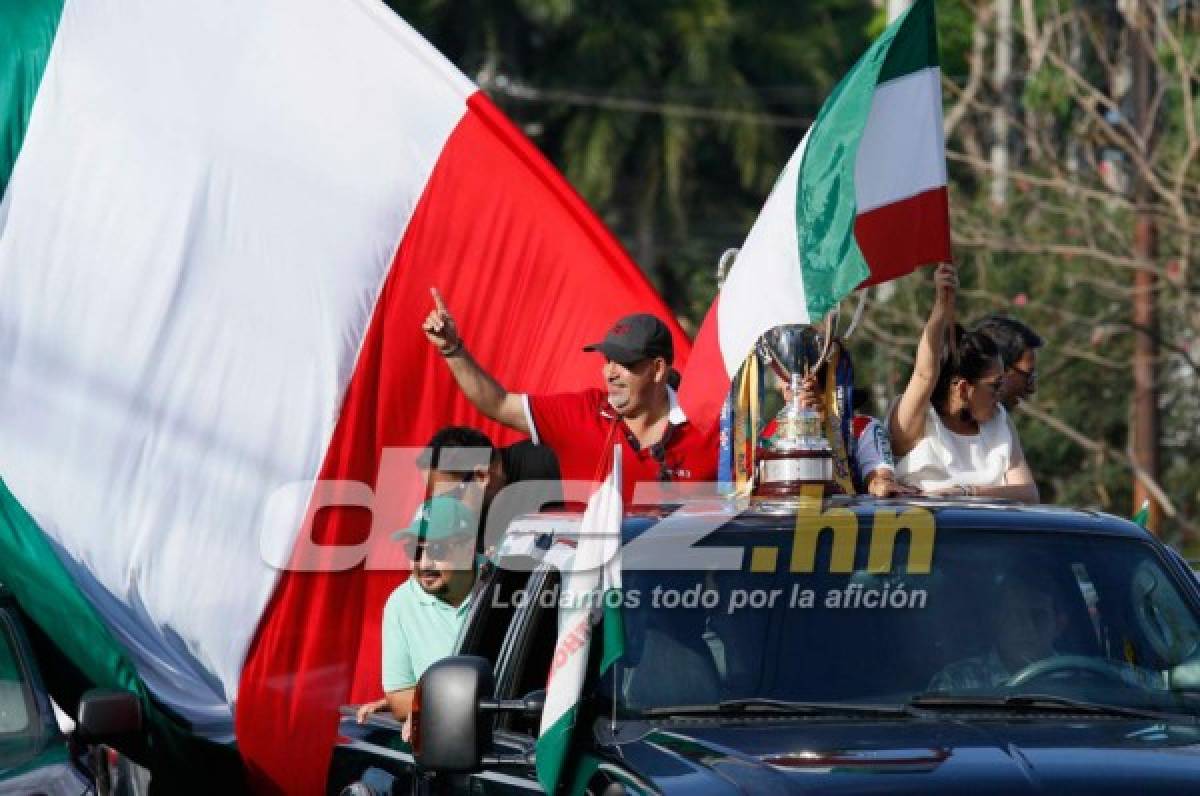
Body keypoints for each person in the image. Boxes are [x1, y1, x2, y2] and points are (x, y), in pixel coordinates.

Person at [422, 289, 716, 501]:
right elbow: (497, 403)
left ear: (657, 369)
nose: (609, 373)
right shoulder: (581, 413)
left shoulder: (709, 431)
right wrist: (451, 349)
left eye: (623, 362)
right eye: (607, 360)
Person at [889, 264, 1039, 503]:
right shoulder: (917, 420)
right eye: (993, 385)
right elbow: (924, 374)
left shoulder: (1000, 422)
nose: (1000, 394)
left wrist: (969, 493)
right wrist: (941, 305)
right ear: (963, 388)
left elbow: (1028, 494)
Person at [355, 496, 481, 727]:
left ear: (468, 548)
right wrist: (425, 705)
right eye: (414, 550)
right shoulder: (401, 603)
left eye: (437, 550)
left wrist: (426, 702)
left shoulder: (503, 585)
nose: (423, 564)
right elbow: (399, 698)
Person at [762, 374, 913, 497]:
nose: (800, 390)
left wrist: (880, 483)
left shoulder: (863, 428)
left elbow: (878, 478)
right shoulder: (771, 431)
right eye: (788, 381)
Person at [928, 574, 1060, 690]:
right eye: (1015, 616)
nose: (1029, 627)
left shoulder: (1077, 677)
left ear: (1059, 624)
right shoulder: (957, 682)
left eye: (1039, 615)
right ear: (996, 622)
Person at [972, 315, 1043, 411]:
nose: (1032, 389)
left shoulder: (1000, 420)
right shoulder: (950, 421)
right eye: (1028, 376)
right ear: (998, 369)